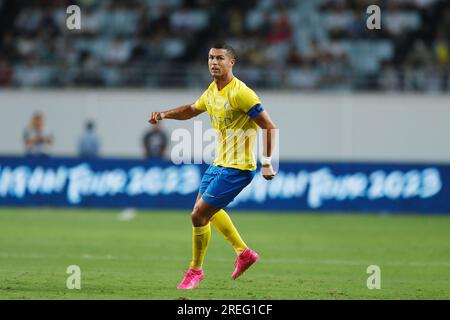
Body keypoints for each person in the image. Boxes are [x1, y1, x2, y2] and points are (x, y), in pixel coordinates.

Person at [148, 43, 277, 290]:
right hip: (219, 163)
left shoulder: (242, 93)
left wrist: (267, 162)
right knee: (206, 211)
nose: (214, 62)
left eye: (219, 58)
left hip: (239, 168)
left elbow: (269, 126)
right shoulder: (212, 90)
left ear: (232, 63)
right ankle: (244, 253)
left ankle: (195, 271)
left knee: (198, 214)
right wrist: (163, 115)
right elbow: (191, 110)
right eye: (210, 58)